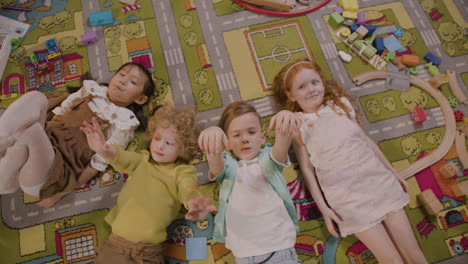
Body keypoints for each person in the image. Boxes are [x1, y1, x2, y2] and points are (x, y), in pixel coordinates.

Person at [272, 58, 428, 264]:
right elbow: (307, 170)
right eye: (302, 87)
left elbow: (367, 141)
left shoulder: (340, 106)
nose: (311, 89)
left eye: (314, 82)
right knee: (391, 260)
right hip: (348, 201)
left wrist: (393, 172)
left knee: (413, 254)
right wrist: (325, 210)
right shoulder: (299, 124)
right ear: (291, 95)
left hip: (380, 184)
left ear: (323, 83)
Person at [0, 62, 155, 208]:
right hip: (41, 138)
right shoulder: (90, 90)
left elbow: (97, 164)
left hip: (53, 169)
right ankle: (4, 166)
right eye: (121, 74)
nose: (122, 81)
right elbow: (60, 110)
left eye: (132, 82)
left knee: (31, 131)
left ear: (140, 99)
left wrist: (62, 192)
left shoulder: (123, 124)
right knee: (36, 97)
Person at [81, 104, 217, 264]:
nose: (160, 145)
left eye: (169, 143)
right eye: (157, 138)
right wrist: (102, 149)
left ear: (183, 149)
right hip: (117, 245)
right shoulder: (141, 161)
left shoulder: (182, 171)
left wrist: (193, 202)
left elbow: (188, 188)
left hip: (149, 252)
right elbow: (120, 157)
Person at [198, 101, 302, 264]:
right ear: (227, 143)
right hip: (243, 254)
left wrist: (285, 120)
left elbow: (281, 145)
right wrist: (213, 134)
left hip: (278, 249)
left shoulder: (269, 161)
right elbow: (215, 160)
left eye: (251, 132)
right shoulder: (227, 169)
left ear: (262, 137)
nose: (245, 139)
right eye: (236, 135)